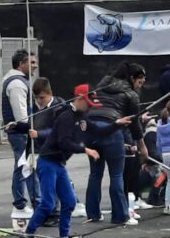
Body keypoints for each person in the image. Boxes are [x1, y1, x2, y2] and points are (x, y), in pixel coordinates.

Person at [25, 84, 130, 238]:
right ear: (79, 99)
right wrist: (85, 149)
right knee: (48, 204)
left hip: (60, 164)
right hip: (47, 163)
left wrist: (116, 124)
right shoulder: (66, 117)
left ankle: (64, 235)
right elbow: (64, 142)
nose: (90, 107)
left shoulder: (83, 117)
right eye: (88, 103)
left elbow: (98, 130)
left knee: (69, 203)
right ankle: (29, 232)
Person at [85, 62, 148, 226]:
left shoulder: (102, 85)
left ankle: (93, 214)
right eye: (140, 82)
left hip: (92, 130)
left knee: (95, 174)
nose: (141, 86)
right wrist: (141, 145)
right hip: (113, 132)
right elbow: (135, 124)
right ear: (133, 78)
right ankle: (120, 216)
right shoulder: (131, 94)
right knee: (116, 175)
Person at [2, 49, 40, 217]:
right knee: (24, 166)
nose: (35, 65)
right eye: (31, 62)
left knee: (26, 166)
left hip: (19, 131)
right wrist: (30, 128)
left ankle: (28, 203)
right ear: (21, 64)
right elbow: (21, 116)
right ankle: (21, 205)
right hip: (20, 133)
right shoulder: (17, 83)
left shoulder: (16, 80)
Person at [28, 78, 70, 225]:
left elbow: (57, 130)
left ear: (50, 93)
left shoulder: (60, 107)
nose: (39, 101)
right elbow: (30, 126)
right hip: (38, 149)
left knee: (51, 183)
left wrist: (39, 134)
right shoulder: (34, 108)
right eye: (36, 98)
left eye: (41, 98)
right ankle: (44, 211)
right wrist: (17, 126)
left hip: (54, 152)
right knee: (40, 182)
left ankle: (54, 213)